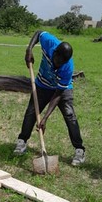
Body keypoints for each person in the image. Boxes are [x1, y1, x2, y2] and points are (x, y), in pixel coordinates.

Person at [14, 30, 86, 166]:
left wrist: (45, 118)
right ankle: (22, 141)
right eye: (58, 61)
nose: (59, 65)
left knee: (70, 116)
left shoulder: (67, 67)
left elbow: (58, 94)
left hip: (62, 90)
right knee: (31, 112)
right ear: (55, 53)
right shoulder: (50, 42)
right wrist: (29, 50)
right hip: (42, 85)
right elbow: (38, 33)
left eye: (63, 63)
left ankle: (79, 150)